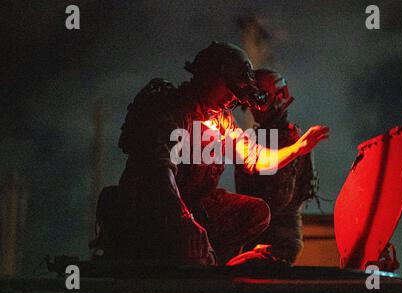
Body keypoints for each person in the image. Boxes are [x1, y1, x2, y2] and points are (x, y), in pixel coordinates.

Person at [91, 42, 328, 266]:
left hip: (192, 209)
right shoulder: (172, 110)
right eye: (230, 89)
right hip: (152, 211)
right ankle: (198, 262)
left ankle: (218, 264)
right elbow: (160, 171)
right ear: (209, 78)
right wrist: (183, 219)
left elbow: (255, 158)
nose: (233, 99)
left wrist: (298, 148)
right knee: (193, 253)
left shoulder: (221, 119)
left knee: (256, 213)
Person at [235, 69, 317, 264]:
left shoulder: (284, 139)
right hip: (270, 237)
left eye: (259, 98)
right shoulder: (279, 137)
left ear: (276, 97)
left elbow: (276, 201)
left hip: (275, 240)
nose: (253, 107)